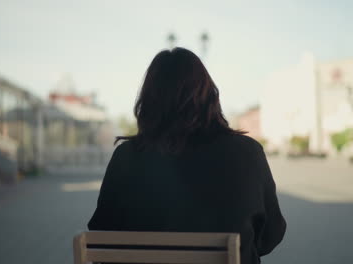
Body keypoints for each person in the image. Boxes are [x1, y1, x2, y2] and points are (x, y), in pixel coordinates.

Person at [88, 47, 286, 264]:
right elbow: (270, 236)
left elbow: (100, 237)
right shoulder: (248, 152)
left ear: (149, 100)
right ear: (209, 94)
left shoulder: (126, 157)